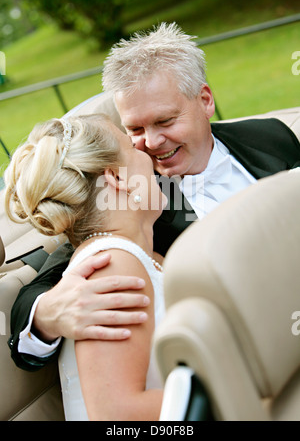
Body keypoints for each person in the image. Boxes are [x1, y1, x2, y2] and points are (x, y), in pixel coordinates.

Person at [8, 22, 300, 373]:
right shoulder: (134, 203)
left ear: (205, 101)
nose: (150, 142)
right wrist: (45, 316)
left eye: (165, 121)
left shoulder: (270, 135)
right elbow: (39, 288)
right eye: (134, 129)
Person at [5, 114, 167, 420]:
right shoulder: (111, 267)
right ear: (117, 178)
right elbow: (117, 418)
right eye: (131, 147)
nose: (144, 152)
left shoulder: (135, 258)